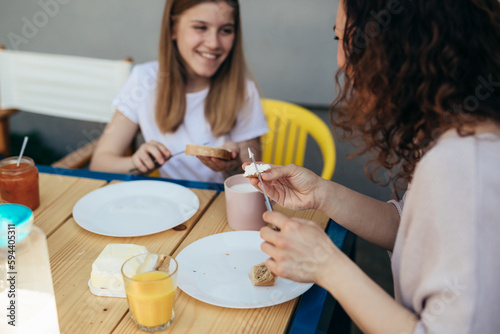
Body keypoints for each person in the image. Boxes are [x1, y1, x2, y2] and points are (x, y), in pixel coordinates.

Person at [246, 0, 500, 333]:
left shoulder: (465, 165)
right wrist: (321, 193)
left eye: (345, 40)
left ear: (398, 47)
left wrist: (327, 265)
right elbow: (405, 227)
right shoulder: (457, 136)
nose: (340, 60)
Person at [90, 0, 268, 183]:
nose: (214, 43)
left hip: (221, 203)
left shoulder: (243, 90)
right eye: (200, 27)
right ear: (173, 28)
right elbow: (99, 163)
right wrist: (136, 163)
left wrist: (233, 166)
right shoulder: (143, 81)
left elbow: (253, 179)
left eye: (226, 30)